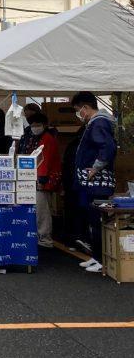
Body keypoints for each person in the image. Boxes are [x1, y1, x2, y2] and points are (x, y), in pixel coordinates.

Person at [72, 92, 117, 273]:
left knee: (97, 219)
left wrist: (96, 167)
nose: (78, 114)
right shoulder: (95, 123)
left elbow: (107, 147)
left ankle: (101, 260)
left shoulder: (98, 123)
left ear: (86, 107)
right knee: (92, 219)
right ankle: (97, 256)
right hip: (93, 181)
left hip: (97, 183)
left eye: (78, 110)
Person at [27, 113, 61, 249]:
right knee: (41, 209)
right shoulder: (39, 138)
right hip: (41, 178)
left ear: (44, 125)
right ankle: (42, 236)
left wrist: (41, 179)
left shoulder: (46, 139)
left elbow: (44, 161)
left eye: (37, 125)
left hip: (43, 180)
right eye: (33, 125)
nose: (34, 128)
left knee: (42, 210)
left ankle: (45, 238)